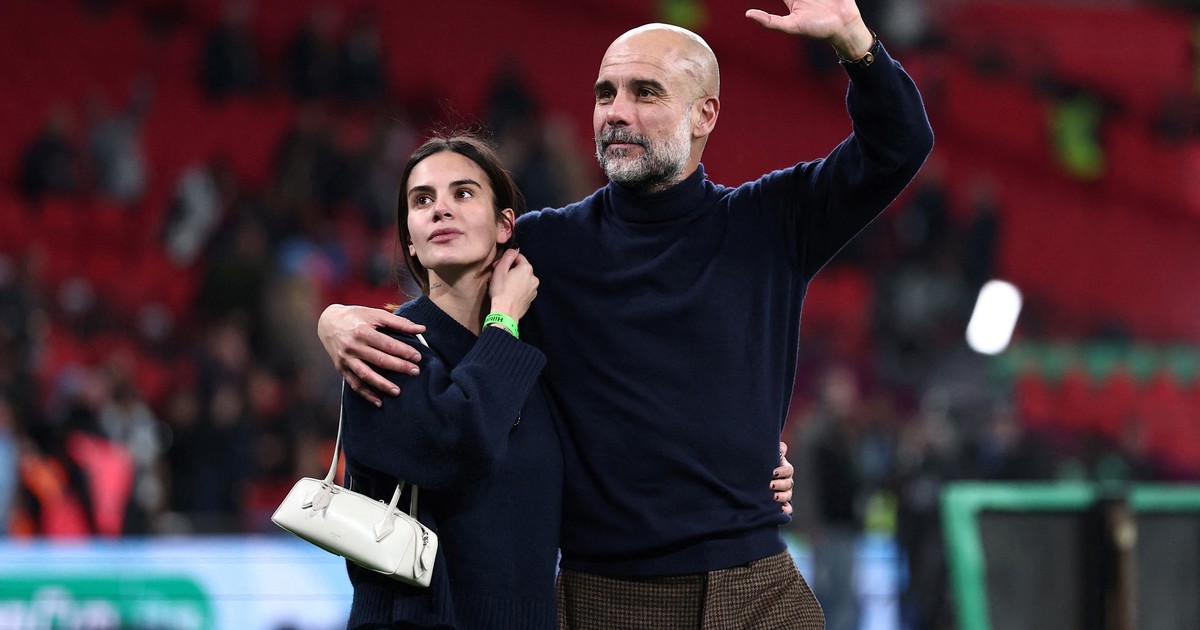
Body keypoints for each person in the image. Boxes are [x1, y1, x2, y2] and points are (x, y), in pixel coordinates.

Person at [321, 1, 933, 627]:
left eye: (645, 92)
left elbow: (899, 145)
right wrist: (337, 320)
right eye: (604, 94)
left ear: (705, 114)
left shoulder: (771, 223)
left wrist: (855, 43)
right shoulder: (542, 247)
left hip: (759, 587)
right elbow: (446, 296)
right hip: (607, 597)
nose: (616, 111)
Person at [341, 133, 561, 629]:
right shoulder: (383, 345)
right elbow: (464, 443)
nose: (440, 209)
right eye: (422, 201)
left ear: (505, 225)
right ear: (410, 241)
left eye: (463, 193)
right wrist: (503, 319)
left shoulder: (536, 350)